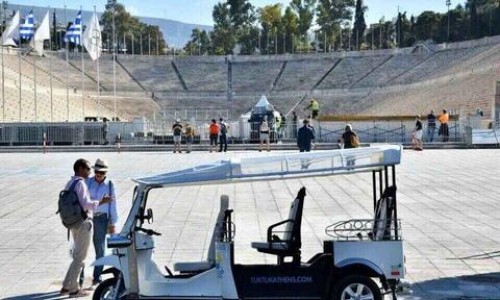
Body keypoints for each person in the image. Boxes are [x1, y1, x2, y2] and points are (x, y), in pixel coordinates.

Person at [60, 159, 111, 298]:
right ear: (80, 169)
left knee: (77, 256)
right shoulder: (81, 183)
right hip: (83, 224)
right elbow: (87, 204)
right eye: (88, 169)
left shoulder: (70, 183)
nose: (90, 172)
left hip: (73, 223)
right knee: (80, 258)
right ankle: (74, 289)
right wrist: (102, 201)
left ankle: (66, 285)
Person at [87, 159, 118, 289]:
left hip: (102, 219)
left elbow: (113, 204)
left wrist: (113, 222)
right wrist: (100, 201)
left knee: (100, 248)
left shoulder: (109, 185)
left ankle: (97, 276)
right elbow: (85, 201)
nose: (98, 174)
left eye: (101, 172)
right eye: (96, 172)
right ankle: (80, 277)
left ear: (105, 173)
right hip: (88, 217)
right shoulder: (88, 182)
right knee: (82, 249)